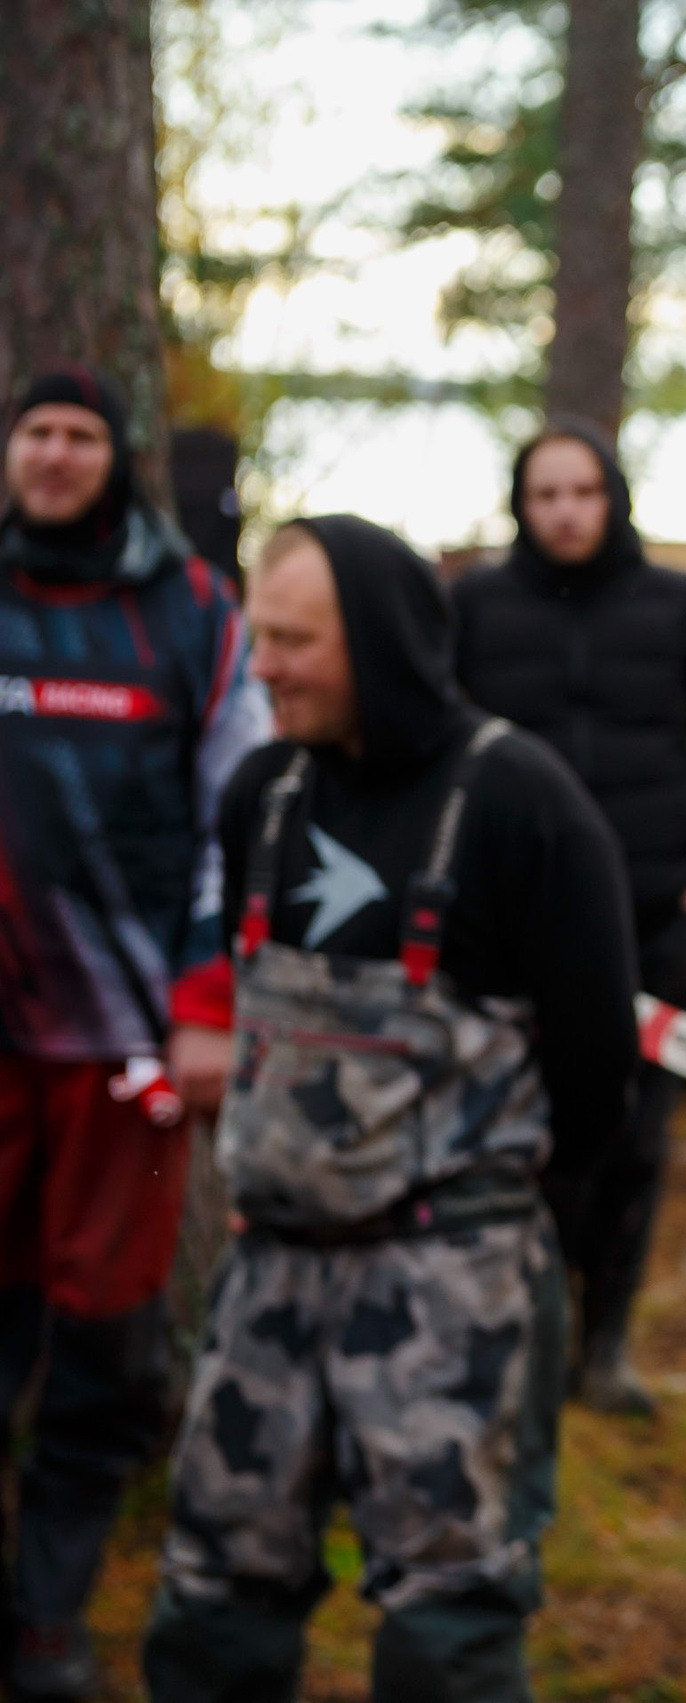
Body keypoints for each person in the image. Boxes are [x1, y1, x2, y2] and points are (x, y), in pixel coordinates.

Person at [140, 516, 638, 1703]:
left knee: (447, 1617)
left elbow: (595, 1067)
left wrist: (511, 1240)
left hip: (448, 1285)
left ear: (378, 642)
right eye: (259, 637)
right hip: (266, 1281)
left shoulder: (525, 801)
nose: (263, 666)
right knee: (213, 1594)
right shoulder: (262, 794)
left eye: (294, 641)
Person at [0, 365, 268, 1700]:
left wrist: (206, 1003)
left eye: (79, 433)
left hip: (125, 1050)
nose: (53, 454)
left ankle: (49, 1617)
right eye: (35, 431)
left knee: (104, 1350)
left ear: (115, 458)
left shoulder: (191, 611)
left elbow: (244, 817)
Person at [452, 420, 686, 1416]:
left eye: (582, 491)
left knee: (634, 1139)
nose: (565, 511)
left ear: (613, 498)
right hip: (517, 928)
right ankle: (525, 1340)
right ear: (520, 505)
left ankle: (607, 1346)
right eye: (545, 495)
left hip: (653, 922)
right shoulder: (474, 609)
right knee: (523, 1133)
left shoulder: (674, 606)